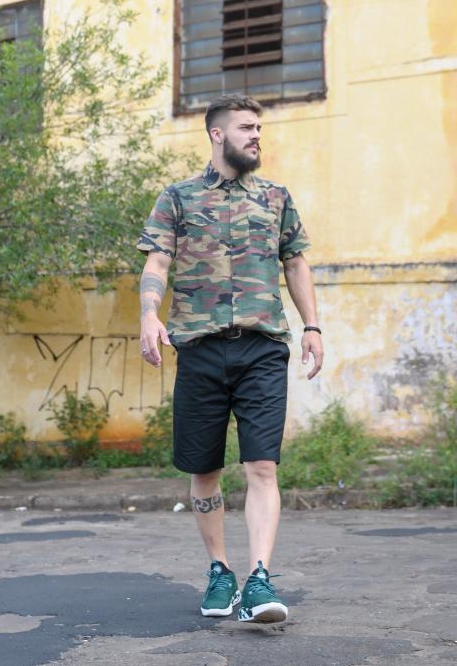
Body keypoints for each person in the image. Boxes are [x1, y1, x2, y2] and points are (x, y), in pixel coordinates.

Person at [137, 93, 323, 624]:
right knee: (204, 470)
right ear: (217, 134)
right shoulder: (178, 198)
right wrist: (149, 315)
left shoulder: (276, 197)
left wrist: (312, 326)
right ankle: (220, 571)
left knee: (262, 465)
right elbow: (157, 262)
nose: (256, 135)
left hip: (263, 347)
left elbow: (296, 264)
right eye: (246, 127)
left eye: (258, 128)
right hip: (199, 349)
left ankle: (259, 579)